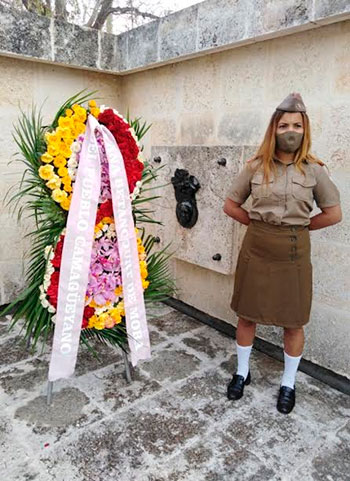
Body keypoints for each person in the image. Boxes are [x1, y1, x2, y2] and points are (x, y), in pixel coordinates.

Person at [223, 93, 342, 414]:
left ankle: (288, 383)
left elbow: (333, 213)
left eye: (297, 125)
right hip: (257, 249)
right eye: (284, 125)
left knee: (294, 321)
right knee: (247, 315)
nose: (291, 131)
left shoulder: (315, 171)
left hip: (294, 253)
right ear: (273, 129)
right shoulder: (255, 167)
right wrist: (257, 223)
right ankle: (242, 373)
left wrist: (300, 228)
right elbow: (230, 204)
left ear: (306, 130)